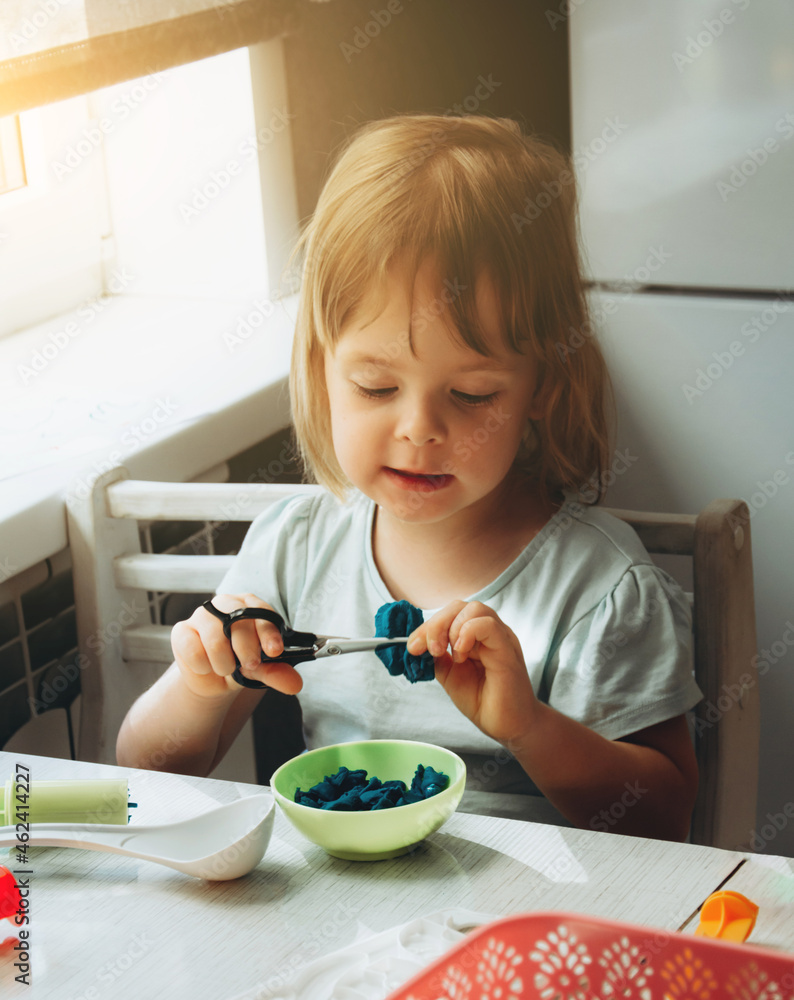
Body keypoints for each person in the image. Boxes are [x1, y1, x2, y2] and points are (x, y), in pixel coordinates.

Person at [116, 113, 702, 840]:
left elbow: (668, 822)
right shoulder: (295, 549)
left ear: (542, 386)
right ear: (320, 371)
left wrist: (528, 725)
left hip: (529, 931)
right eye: (374, 385)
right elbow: (144, 772)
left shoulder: (600, 589)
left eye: (473, 395)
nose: (419, 429)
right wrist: (199, 686)